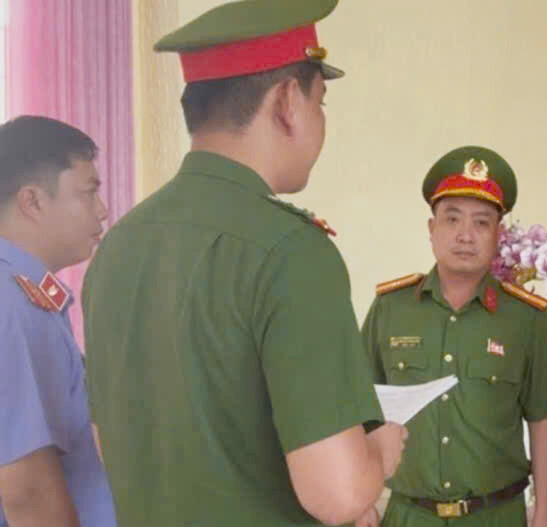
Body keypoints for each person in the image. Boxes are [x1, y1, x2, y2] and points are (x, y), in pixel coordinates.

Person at [82, 1, 406, 526]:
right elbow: (339, 493)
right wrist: (381, 453)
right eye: (320, 102)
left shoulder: (117, 247)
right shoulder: (290, 252)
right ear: (288, 101)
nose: (322, 121)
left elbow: (110, 443)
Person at [356, 146, 547, 527]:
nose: (465, 235)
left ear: (498, 234)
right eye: (452, 219)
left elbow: (544, 422)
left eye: (481, 222)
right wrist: (361, 500)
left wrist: (545, 512)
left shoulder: (526, 320)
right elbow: (358, 405)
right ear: (432, 230)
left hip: (496, 516)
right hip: (409, 516)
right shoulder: (390, 309)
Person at [0, 116, 114, 527]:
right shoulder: (10, 303)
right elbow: (26, 488)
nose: (102, 211)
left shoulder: (29, 295)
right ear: (32, 201)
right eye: (88, 192)